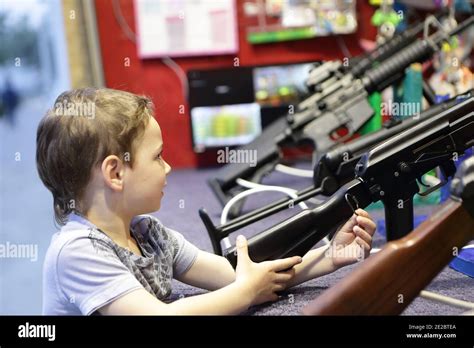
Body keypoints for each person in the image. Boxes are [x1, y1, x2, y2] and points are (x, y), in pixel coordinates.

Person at [37, 88, 376, 315]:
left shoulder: (148, 233)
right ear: (115, 173)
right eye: (157, 157)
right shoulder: (77, 252)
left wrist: (332, 257)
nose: (168, 167)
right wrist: (245, 292)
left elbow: (240, 275)